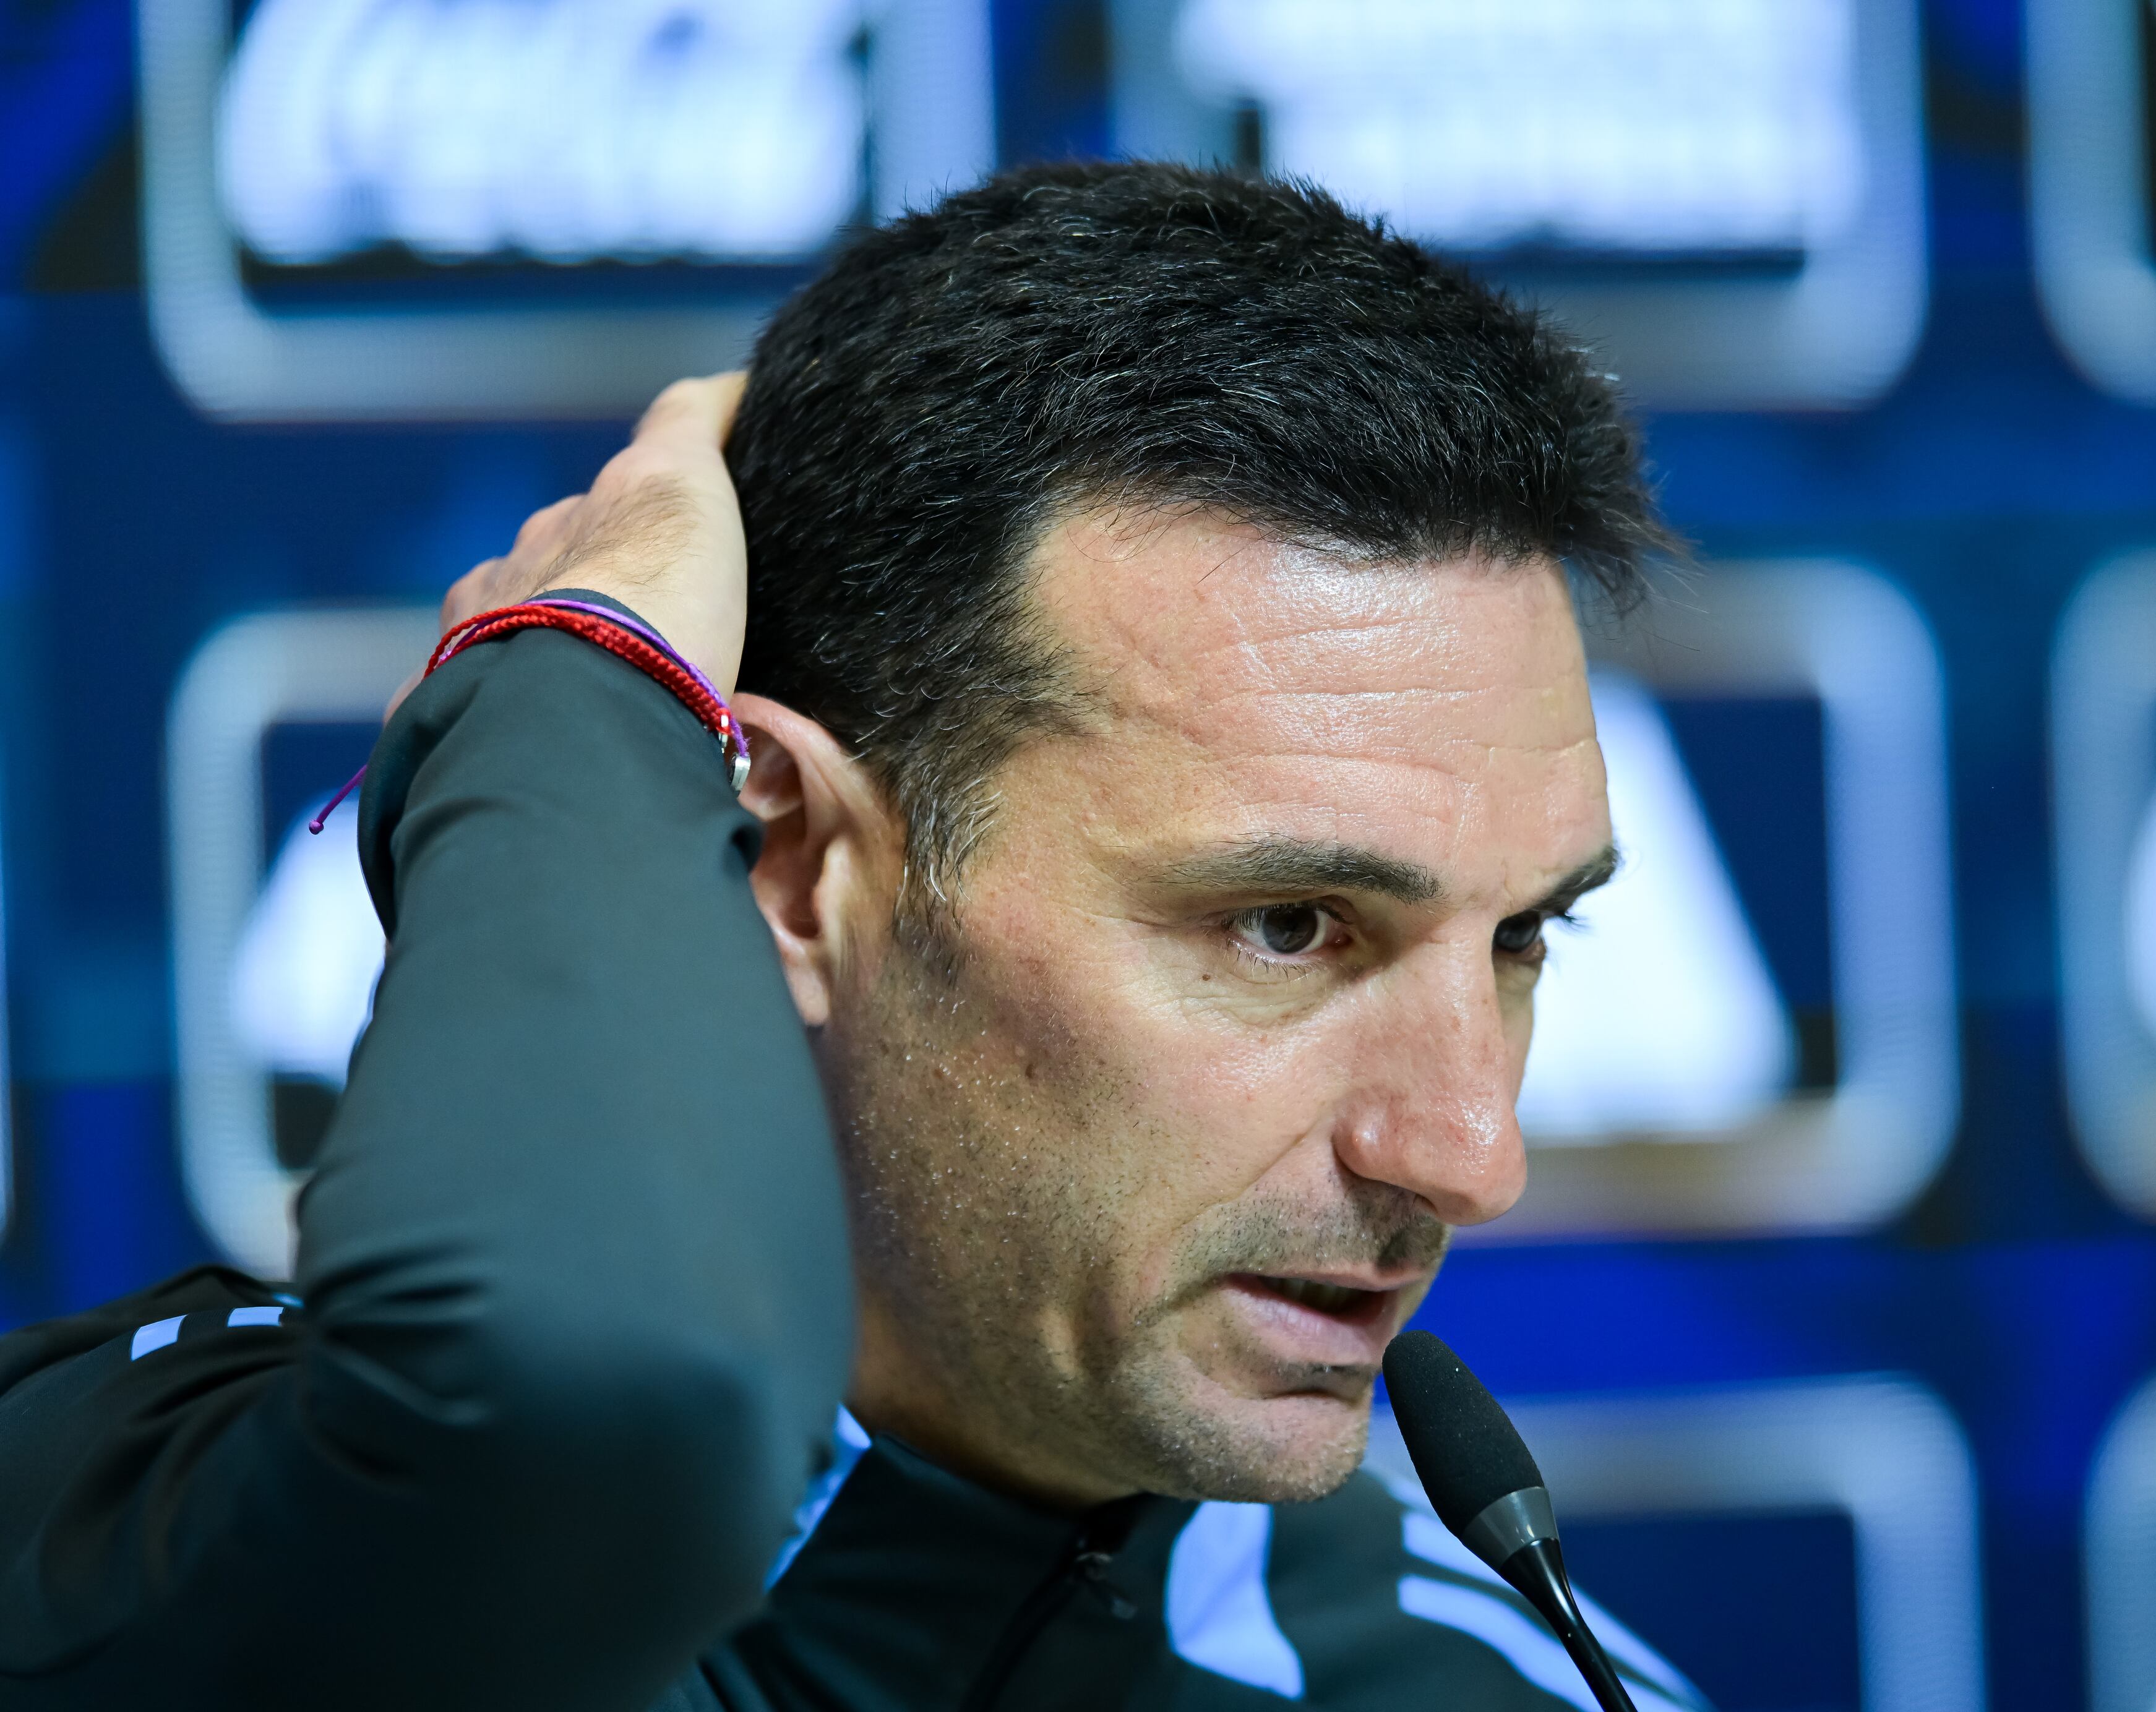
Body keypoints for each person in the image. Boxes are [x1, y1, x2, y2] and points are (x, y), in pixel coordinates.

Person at [0, 163, 1705, 1711]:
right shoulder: (191, 1526)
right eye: (1286, 927)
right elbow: (566, 1411)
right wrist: (571, 681)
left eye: (1520, 939)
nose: (1470, 1155)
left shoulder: (1520, 1691)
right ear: (790, 857)